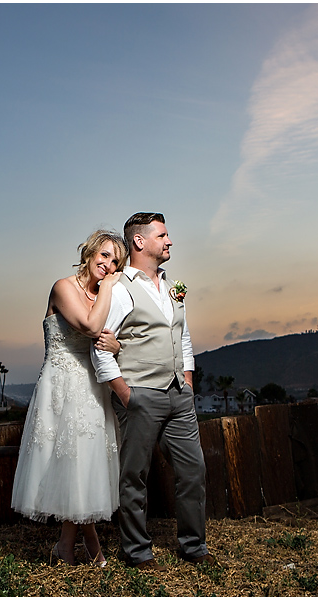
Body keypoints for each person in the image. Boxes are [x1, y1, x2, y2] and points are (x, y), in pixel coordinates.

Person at [91, 212, 215, 571]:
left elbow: (184, 338)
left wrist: (188, 382)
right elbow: (100, 346)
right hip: (140, 395)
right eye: (162, 235)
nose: (170, 241)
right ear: (140, 242)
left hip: (179, 395)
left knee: (194, 470)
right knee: (135, 477)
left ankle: (194, 546)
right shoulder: (118, 288)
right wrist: (127, 395)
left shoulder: (173, 286)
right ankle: (137, 552)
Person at [12, 229, 128, 566]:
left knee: (84, 466)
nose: (108, 265)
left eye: (115, 262)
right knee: (70, 463)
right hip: (61, 387)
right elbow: (92, 328)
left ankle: (73, 548)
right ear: (90, 252)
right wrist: (109, 286)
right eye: (104, 256)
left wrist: (118, 346)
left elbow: (109, 339)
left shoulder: (101, 295)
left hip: (93, 389)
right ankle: (83, 549)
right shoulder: (63, 288)